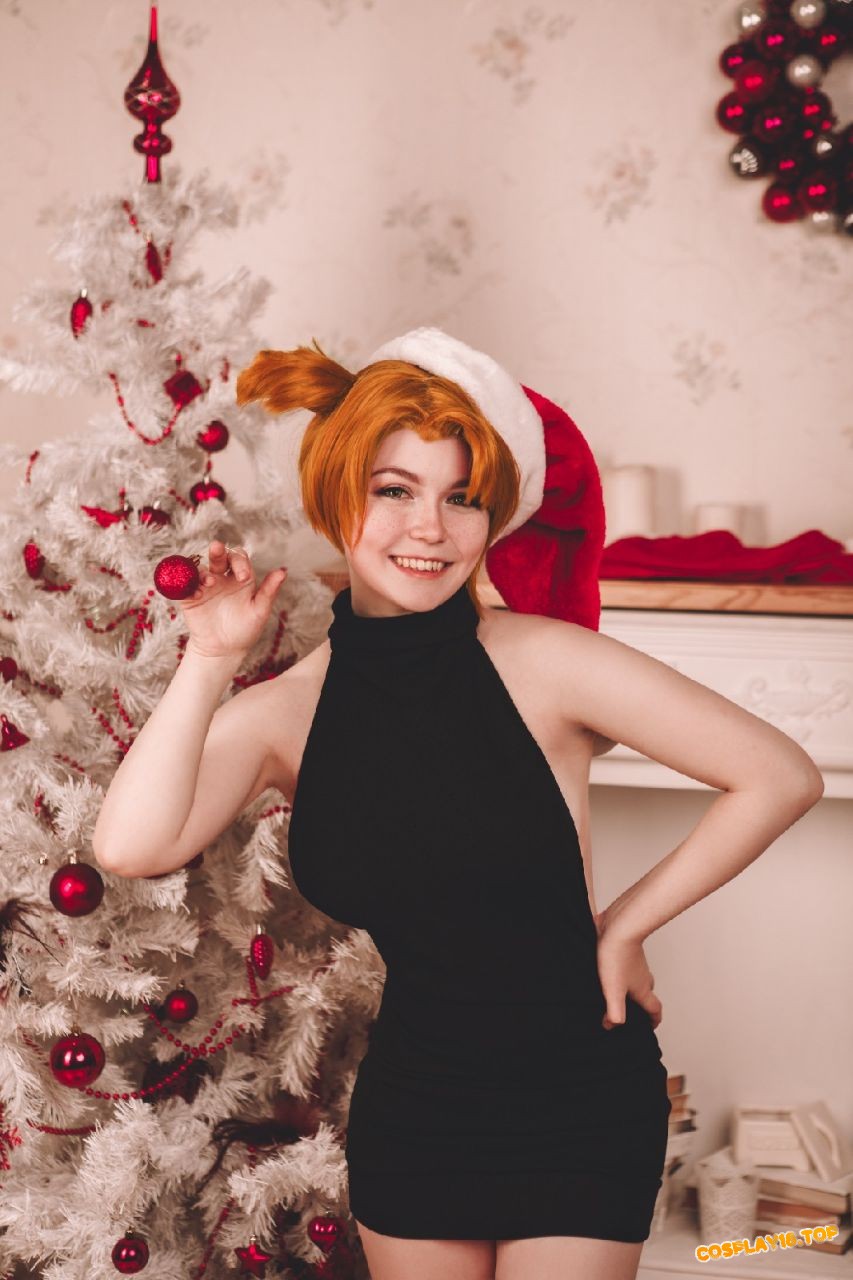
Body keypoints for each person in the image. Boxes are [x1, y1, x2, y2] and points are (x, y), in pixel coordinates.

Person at [94, 328, 824, 1280]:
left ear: (493, 518)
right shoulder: (286, 713)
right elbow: (131, 846)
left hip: (578, 1099)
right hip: (416, 1109)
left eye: (462, 498)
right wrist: (209, 657)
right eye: (395, 490)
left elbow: (779, 774)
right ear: (337, 493)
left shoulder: (546, 662)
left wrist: (623, 926)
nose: (430, 529)